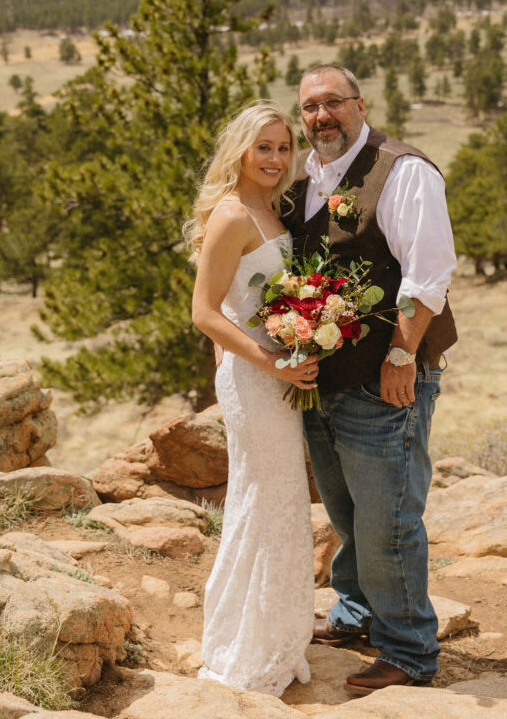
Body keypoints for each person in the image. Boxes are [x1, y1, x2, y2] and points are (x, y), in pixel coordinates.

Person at [281, 64, 458, 696]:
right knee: (346, 509)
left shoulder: (403, 170)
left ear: (361, 105)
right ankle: (356, 612)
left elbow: (428, 273)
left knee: (387, 519)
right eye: (309, 107)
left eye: (333, 103)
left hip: (386, 378)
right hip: (322, 380)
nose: (321, 116)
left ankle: (409, 651)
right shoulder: (301, 174)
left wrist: (402, 357)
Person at [186, 102, 319, 697]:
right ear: (240, 150)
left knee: (282, 501)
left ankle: (277, 638)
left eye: (283, 147)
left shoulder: (275, 207)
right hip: (255, 380)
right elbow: (205, 313)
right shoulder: (231, 215)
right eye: (263, 147)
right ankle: (244, 648)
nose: (275, 158)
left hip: (280, 376)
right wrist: (270, 360)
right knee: (262, 502)